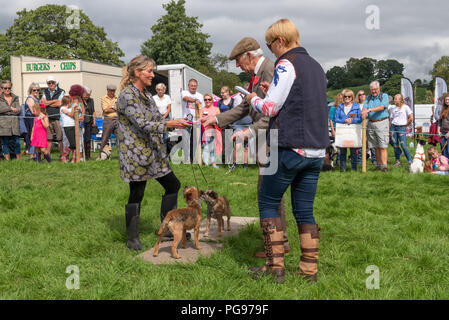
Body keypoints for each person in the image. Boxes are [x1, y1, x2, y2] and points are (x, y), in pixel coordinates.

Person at [246, 19, 329, 283]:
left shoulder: (286, 63)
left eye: (271, 44)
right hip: (316, 151)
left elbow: (269, 109)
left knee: (268, 202)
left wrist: (253, 99)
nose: (271, 50)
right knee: (305, 210)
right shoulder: (316, 66)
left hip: (289, 147)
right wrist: (272, 93)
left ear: (280, 41)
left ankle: (276, 268)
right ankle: (309, 272)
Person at [201, 36, 291, 259]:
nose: (237, 66)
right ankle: (277, 242)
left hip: (271, 139)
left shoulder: (270, 70)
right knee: (267, 192)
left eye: (239, 61)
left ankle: (279, 244)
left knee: (269, 193)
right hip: (264, 139)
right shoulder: (255, 76)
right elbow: (244, 106)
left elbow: (273, 111)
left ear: (250, 56)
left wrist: (249, 131)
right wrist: (217, 119)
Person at [117, 55, 191, 250]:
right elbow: (142, 123)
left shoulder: (147, 95)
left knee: (172, 184)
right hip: (135, 153)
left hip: (154, 151)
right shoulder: (126, 96)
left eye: (152, 70)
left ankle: (167, 230)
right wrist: (169, 124)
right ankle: (132, 239)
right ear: (136, 72)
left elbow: (157, 118)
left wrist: (178, 121)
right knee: (137, 192)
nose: (152, 74)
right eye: (149, 71)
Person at [361, 81, 390, 172]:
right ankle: (379, 165)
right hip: (371, 123)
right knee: (375, 146)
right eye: (372, 89)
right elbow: (364, 108)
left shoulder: (384, 96)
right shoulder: (368, 98)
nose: (374, 91)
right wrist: (364, 112)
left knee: (382, 145)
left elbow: (382, 107)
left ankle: (384, 166)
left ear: (379, 89)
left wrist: (369, 110)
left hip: (382, 122)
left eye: (375, 89)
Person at [334, 89, 362, 172]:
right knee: (342, 151)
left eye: (349, 96)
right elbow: (336, 118)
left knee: (353, 152)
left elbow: (360, 119)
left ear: (352, 97)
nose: (347, 98)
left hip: (353, 132)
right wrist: (345, 120)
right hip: (342, 132)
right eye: (345, 96)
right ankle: (343, 169)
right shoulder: (340, 107)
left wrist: (352, 121)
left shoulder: (356, 107)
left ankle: (354, 169)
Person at [41, 76, 66, 161]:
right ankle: (47, 157)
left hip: (58, 118)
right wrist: (53, 101)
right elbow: (43, 104)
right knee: (49, 138)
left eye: (52, 82)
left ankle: (62, 156)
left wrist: (48, 103)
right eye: (49, 83)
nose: (51, 84)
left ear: (55, 83)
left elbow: (60, 103)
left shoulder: (61, 91)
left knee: (60, 138)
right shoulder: (45, 91)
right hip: (47, 118)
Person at [181, 79, 204, 163]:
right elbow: (185, 98)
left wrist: (200, 118)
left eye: (195, 86)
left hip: (196, 121)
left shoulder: (200, 95)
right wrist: (195, 101)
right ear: (188, 86)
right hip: (186, 120)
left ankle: (191, 158)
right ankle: (186, 158)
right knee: (186, 140)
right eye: (192, 85)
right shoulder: (184, 92)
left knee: (194, 141)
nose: (193, 87)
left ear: (197, 86)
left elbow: (201, 107)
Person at [229, 92, 253, 171]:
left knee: (246, 147)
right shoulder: (237, 99)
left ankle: (245, 165)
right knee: (238, 145)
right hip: (239, 126)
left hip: (248, 126)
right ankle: (234, 164)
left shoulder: (252, 103)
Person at [389, 94, 413, 166]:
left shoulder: (406, 107)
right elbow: (391, 119)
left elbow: (411, 117)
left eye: (396, 98)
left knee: (403, 145)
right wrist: (389, 128)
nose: (394, 100)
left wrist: (406, 125)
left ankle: (410, 161)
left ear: (400, 99)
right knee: (395, 145)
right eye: (394, 98)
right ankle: (397, 161)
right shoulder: (393, 108)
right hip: (393, 127)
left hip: (401, 127)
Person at [0, 80, 21, 160]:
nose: (7, 90)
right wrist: (10, 108)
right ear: (1, 88)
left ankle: (18, 160)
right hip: (3, 123)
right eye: (5, 88)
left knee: (17, 142)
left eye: (9, 88)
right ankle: (7, 160)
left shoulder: (15, 97)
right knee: (5, 142)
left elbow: (18, 109)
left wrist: (14, 110)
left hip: (14, 122)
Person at [200, 93, 220, 168]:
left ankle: (214, 163)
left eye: (209, 99)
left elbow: (218, 119)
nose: (207, 101)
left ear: (212, 100)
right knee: (206, 148)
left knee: (213, 148)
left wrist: (208, 118)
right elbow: (200, 120)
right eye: (205, 99)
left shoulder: (216, 109)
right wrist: (210, 118)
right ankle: (206, 164)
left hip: (214, 131)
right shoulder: (202, 110)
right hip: (205, 131)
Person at [60, 95, 82, 163]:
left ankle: (74, 158)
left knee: (75, 143)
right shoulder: (62, 108)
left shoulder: (70, 108)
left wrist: (78, 108)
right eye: (70, 102)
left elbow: (79, 112)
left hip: (74, 126)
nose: (72, 103)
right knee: (72, 144)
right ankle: (64, 156)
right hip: (67, 127)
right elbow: (71, 115)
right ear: (67, 102)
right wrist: (73, 107)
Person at [99, 84, 119, 156]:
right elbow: (106, 110)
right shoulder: (104, 98)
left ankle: (122, 155)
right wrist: (114, 107)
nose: (112, 92)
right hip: (108, 119)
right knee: (105, 137)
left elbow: (119, 108)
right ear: (107, 90)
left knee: (120, 137)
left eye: (114, 91)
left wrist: (111, 107)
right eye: (111, 91)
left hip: (117, 119)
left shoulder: (118, 98)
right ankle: (101, 155)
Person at [217, 86, 234, 164]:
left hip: (232, 124)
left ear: (227, 92)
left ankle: (230, 160)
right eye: (221, 93)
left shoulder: (233, 101)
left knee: (230, 142)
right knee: (224, 142)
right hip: (223, 124)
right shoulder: (220, 102)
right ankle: (224, 160)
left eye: (223, 93)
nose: (221, 94)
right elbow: (218, 113)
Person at [24, 83, 41, 159]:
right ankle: (31, 154)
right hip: (31, 119)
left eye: (38, 90)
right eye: (34, 90)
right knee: (32, 136)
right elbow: (33, 111)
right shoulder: (30, 99)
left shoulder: (37, 99)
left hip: (36, 118)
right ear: (31, 90)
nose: (36, 91)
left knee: (35, 136)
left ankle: (35, 154)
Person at [82, 86, 96, 160]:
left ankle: (88, 156)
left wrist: (94, 121)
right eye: (86, 95)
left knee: (88, 139)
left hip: (89, 122)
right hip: (82, 122)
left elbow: (93, 111)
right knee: (82, 139)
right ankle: (82, 155)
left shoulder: (91, 100)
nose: (87, 96)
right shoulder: (79, 100)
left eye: (89, 95)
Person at [437, 93, 449, 159]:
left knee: (448, 150)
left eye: (448, 99)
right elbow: (439, 122)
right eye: (446, 100)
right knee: (444, 151)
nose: (447, 101)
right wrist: (438, 131)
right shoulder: (443, 109)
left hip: (448, 133)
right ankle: (446, 166)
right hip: (443, 133)